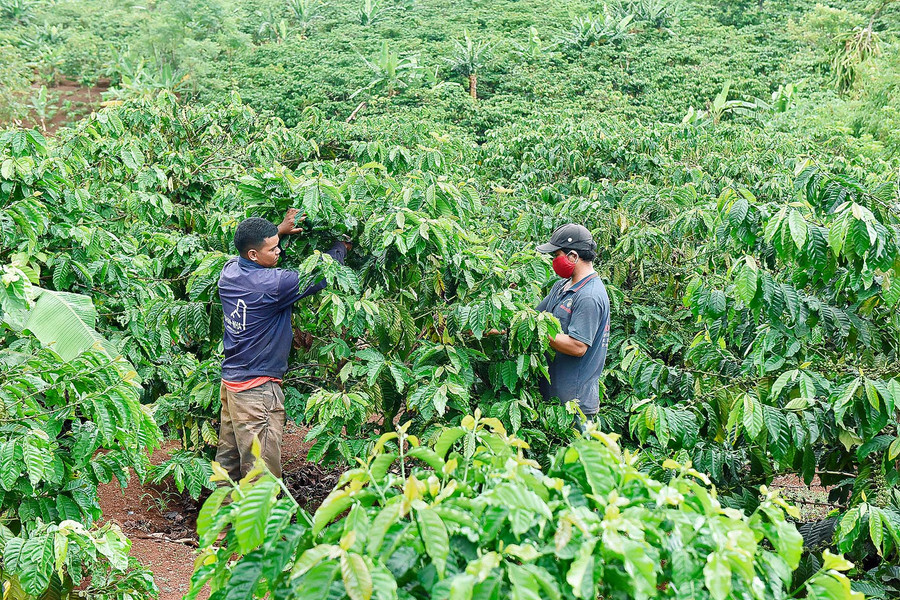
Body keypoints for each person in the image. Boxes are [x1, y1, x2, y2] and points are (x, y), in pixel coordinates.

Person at [215, 208, 351, 480]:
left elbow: (253, 251)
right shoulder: (272, 284)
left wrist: (278, 230)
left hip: (232, 386)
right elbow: (320, 275)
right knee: (261, 475)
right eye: (273, 249)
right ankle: (263, 523)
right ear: (253, 254)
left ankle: (224, 521)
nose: (279, 252)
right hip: (256, 393)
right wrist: (341, 246)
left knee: (227, 468)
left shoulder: (229, 271)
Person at [535, 224, 611, 429]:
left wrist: (537, 333)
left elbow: (578, 347)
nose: (553, 261)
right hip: (551, 400)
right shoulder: (561, 286)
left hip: (575, 407)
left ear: (573, 256)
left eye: (556, 255)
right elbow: (535, 317)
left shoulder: (589, 296)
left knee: (576, 461)